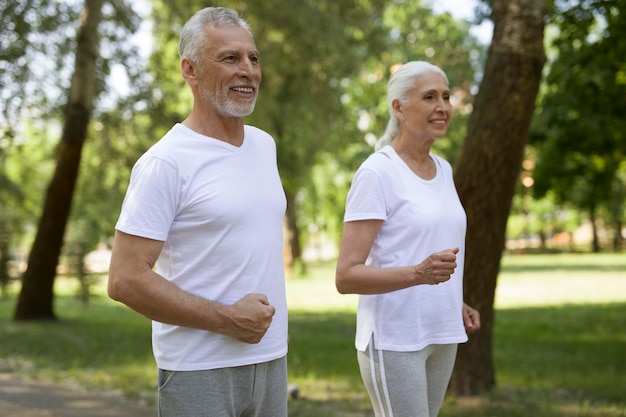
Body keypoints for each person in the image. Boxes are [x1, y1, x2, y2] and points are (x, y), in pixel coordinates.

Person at [107, 7, 288, 417]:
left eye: (253, 58)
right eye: (230, 58)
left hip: (272, 359)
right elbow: (124, 279)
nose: (248, 70)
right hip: (199, 369)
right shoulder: (165, 162)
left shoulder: (264, 146)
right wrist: (227, 319)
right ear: (190, 70)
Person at [335, 61, 481, 417]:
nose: (442, 106)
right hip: (395, 337)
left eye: (446, 96)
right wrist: (417, 274)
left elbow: (429, 247)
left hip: (442, 330)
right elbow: (346, 276)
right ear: (398, 107)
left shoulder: (444, 169)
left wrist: (453, 301)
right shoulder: (377, 173)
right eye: (429, 97)